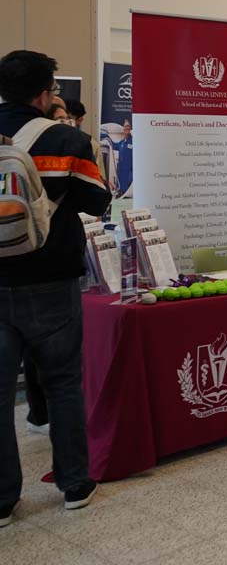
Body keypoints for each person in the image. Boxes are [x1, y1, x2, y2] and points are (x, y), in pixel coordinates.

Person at [0, 50, 112, 522]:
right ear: (45, 93)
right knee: (64, 383)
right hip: (52, 277)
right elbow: (98, 201)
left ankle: (3, 499)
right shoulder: (67, 139)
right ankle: (73, 484)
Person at [114, 118, 133, 199]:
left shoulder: (134, 141)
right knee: (120, 193)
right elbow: (113, 144)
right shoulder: (121, 142)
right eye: (125, 126)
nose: (126, 128)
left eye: (128, 126)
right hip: (121, 172)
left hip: (129, 172)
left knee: (127, 195)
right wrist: (105, 136)